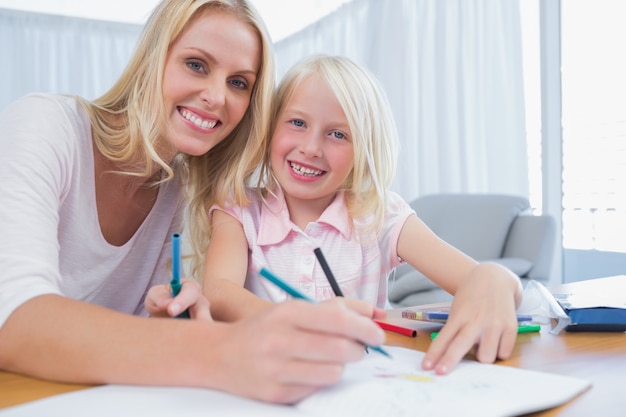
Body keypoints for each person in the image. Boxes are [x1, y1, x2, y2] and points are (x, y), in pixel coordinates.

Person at [0, 1, 385, 405]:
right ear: (153, 58)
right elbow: (12, 317)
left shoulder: (180, 191)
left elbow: (134, 336)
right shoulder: (44, 125)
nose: (217, 97)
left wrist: (173, 317)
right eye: (197, 65)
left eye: (239, 82)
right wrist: (217, 348)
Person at [196, 54, 523, 375]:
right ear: (269, 130)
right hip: (265, 378)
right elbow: (219, 291)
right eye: (297, 123)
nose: (311, 147)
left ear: (364, 152)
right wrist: (290, 321)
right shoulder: (238, 208)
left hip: (360, 385)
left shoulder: (380, 215)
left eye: (338, 134)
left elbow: (480, 280)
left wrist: (497, 279)